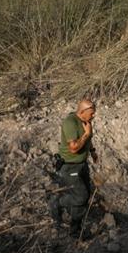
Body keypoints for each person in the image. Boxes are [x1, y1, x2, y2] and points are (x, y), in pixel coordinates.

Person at [49, 98, 98, 237]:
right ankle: (57, 202)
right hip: (69, 166)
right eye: (91, 113)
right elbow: (73, 149)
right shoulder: (70, 123)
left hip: (82, 164)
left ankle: (75, 228)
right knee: (81, 196)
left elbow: (89, 139)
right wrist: (87, 133)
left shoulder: (86, 121)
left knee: (85, 195)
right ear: (82, 111)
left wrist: (92, 151)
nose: (94, 116)